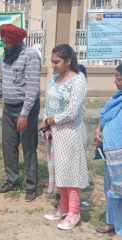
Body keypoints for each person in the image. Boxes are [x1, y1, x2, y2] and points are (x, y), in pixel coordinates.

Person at [0, 24, 41, 202]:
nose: (4, 46)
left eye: (7, 43)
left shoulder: (31, 55)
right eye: (3, 42)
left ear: (17, 42)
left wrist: (25, 113)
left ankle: (31, 186)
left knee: (28, 147)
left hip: (27, 109)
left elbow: (33, 87)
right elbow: (0, 80)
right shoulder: (6, 56)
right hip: (9, 108)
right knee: (8, 146)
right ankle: (11, 180)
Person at [40, 44, 88, 230]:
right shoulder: (52, 80)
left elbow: (72, 112)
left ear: (68, 61)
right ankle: (63, 208)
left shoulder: (78, 81)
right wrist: (46, 122)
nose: (53, 66)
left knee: (71, 171)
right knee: (60, 170)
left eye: (57, 62)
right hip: (54, 133)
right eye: (52, 62)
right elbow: (47, 104)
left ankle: (74, 213)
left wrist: (50, 121)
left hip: (71, 133)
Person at [94, 63, 122, 240]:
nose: (115, 81)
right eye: (115, 77)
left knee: (120, 191)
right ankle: (111, 222)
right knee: (110, 189)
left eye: (119, 78)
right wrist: (99, 130)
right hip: (111, 153)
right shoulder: (116, 98)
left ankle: (121, 230)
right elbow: (105, 118)